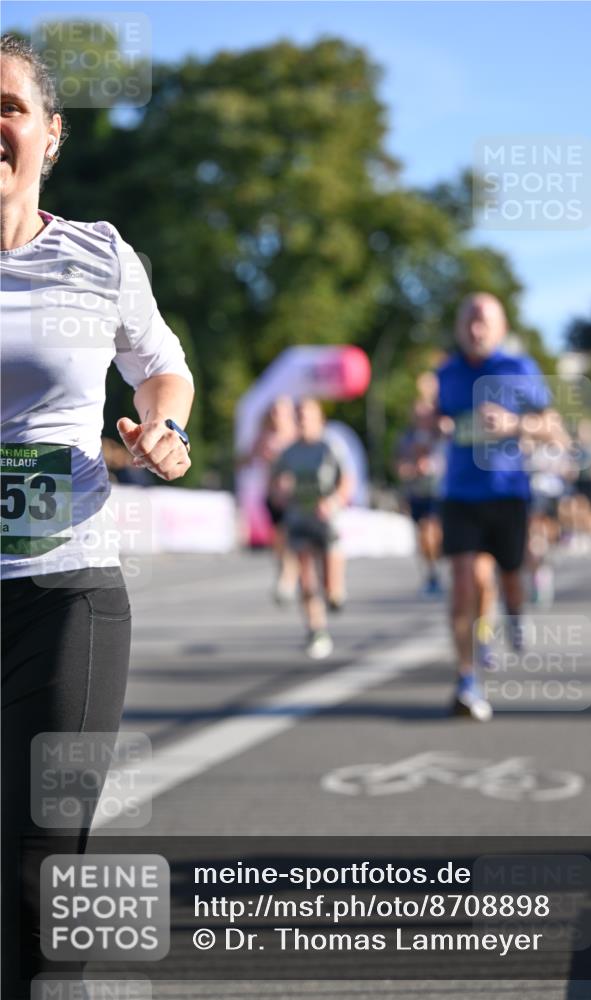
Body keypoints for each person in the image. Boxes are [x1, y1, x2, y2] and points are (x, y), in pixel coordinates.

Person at [1, 35, 194, 997]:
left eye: (8, 106)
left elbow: (163, 365)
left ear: (48, 134)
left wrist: (163, 430)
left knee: (42, 883)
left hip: (65, 592)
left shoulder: (97, 254)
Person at [437, 292, 568, 721]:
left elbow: (555, 431)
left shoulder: (519, 369)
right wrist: (428, 434)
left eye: (484, 321)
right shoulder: (446, 373)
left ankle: (515, 614)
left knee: (510, 577)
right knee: (465, 581)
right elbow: (432, 424)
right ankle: (466, 677)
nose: (475, 329)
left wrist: (514, 424)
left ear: (500, 327)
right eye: (469, 321)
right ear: (459, 327)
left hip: (507, 492)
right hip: (459, 494)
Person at [269, 398, 352, 659]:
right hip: (299, 519)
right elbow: (273, 486)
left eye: (307, 416)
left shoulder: (330, 447)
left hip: (326, 520)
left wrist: (334, 501)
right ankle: (316, 630)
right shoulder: (288, 452)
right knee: (306, 579)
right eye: (299, 416)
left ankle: (335, 592)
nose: (302, 421)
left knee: (330, 589)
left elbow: (347, 480)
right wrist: (280, 493)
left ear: (319, 420)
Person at [237, 396, 299, 601]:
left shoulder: (296, 436)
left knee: (291, 536)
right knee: (279, 538)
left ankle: (289, 576)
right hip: (272, 496)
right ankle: (284, 571)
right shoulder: (264, 436)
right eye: (274, 411)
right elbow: (245, 459)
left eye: (281, 411)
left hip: (294, 497)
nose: (277, 416)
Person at [395, 399, 446, 595]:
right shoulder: (406, 439)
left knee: (432, 530)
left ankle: (437, 566)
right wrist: (411, 469)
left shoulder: (440, 436)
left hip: (438, 491)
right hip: (416, 492)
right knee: (423, 536)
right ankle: (432, 572)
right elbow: (399, 466)